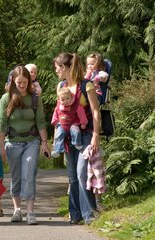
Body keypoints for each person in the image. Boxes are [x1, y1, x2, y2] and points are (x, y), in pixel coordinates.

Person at [0, 65, 50, 225]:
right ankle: (17, 210)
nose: (21, 85)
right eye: (18, 82)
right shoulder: (6, 98)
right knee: (16, 176)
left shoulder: (35, 99)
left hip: (31, 142)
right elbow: (1, 123)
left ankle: (30, 212)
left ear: (29, 81)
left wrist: (45, 143)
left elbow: (40, 121)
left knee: (29, 173)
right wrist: (0, 147)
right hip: (12, 143)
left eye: (24, 82)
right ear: (13, 81)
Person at [53, 52, 101, 225]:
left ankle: (89, 213)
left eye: (57, 68)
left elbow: (96, 111)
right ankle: (75, 214)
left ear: (65, 67)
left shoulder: (86, 85)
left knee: (81, 173)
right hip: (67, 136)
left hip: (85, 134)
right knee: (72, 177)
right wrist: (55, 138)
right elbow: (58, 113)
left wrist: (96, 135)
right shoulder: (61, 86)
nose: (56, 71)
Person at [51, 87, 88, 158]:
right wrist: (55, 121)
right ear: (59, 100)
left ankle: (77, 143)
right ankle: (58, 150)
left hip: (73, 123)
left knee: (76, 131)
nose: (65, 101)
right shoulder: (58, 107)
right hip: (62, 125)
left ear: (71, 97)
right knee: (59, 135)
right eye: (63, 100)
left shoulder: (76, 106)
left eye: (67, 98)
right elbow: (55, 114)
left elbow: (81, 114)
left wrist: (83, 123)